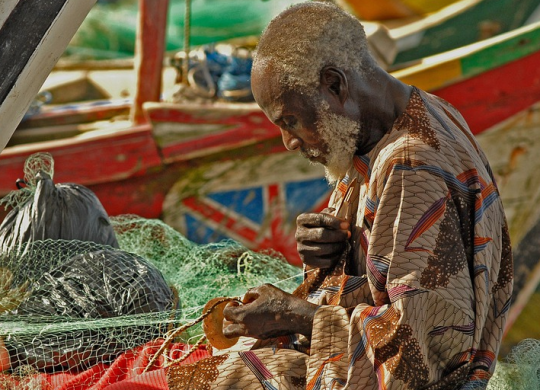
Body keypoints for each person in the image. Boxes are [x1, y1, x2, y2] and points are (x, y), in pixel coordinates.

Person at [167, 2, 513, 389]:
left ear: (335, 85)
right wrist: (330, 254)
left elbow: (413, 358)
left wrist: (293, 314)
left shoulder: (410, 165)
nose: (289, 142)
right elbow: (392, 269)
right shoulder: (414, 112)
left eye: (291, 121)